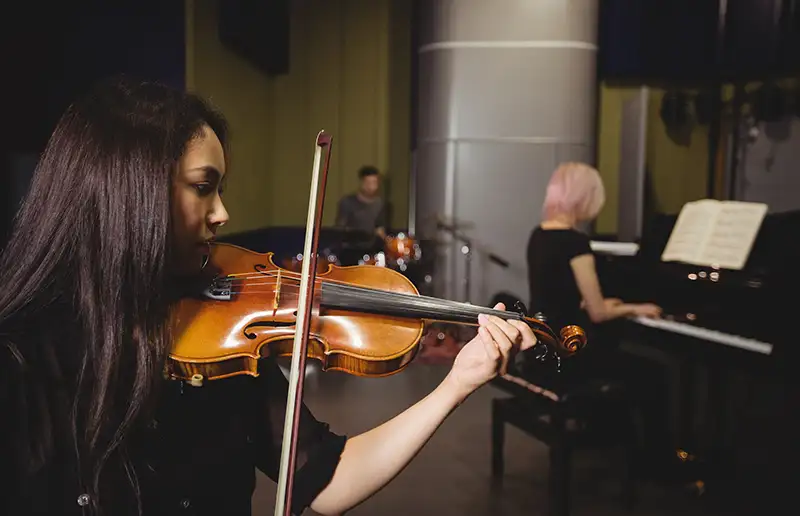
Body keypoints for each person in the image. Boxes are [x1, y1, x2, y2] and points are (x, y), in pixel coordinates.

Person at [0, 76, 538, 516]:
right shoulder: (23, 360)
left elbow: (325, 479)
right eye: (203, 186)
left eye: (221, 190)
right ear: (127, 190)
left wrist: (457, 384)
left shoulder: (229, 343)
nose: (222, 214)